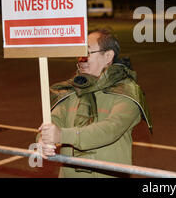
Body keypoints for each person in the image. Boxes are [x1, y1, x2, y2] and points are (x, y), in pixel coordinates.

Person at [38, 28, 152, 178]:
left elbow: (109, 129)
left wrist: (62, 135)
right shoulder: (73, 89)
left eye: (87, 53)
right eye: (79, 53)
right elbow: (54, 120)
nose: (80, 59)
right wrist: (43, 139)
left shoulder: (127, 93)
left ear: (108, 56)